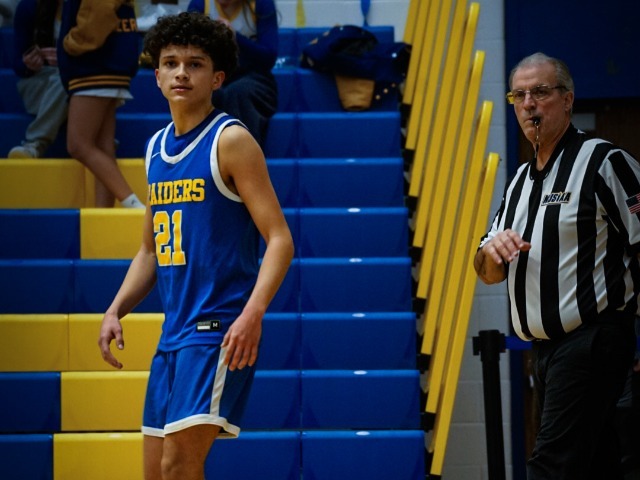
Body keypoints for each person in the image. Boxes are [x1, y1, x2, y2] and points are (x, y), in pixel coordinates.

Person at [97, 11, 294, 480]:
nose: (181, 73)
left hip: (217, 328)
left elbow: (280, 239)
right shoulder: (155, 149)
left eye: (195, 64)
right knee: (156, 472)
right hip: (173, 334)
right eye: (171, 63)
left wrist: (253, 313)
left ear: (217, 77)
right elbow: (150, 251)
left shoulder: (231, 141)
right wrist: (115, 309)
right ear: (157, 75)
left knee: (178, 465)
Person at [474, 52, 638, 480]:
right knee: (597, 464)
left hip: (593, 339)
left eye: (541, 92)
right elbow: (487, 272)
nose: (529, 103)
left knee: (550, 466)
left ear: (567, 100)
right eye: (519, 95)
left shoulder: (604, 161)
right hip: (544, 352)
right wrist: (491, 252)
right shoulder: (518, 182)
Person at [57, 0, 144, 208]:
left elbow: (98, 14)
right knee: (103, 148)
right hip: (104, 66)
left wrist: (72, 43)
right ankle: (104, 213)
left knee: (78, 145)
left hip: (94, 67)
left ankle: (136, 207)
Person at [188, 0, 278, 148]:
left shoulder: (262, 4)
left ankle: (243, 157)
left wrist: (235, 38)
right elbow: (188, 55)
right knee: (204, 93)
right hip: (211, 75)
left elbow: (269, 58)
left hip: (253, 76)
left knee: (238, 93)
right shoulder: (199, 4)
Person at [8, 0, 67, 159]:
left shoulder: (87, 9)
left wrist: (67, 61)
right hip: (39, 81)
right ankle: (100, 142)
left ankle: (34, 144)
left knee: (68, 80)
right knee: (67, 83)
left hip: (74, 82)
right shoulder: (29, 7)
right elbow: (18, 65)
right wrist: (29, 63)